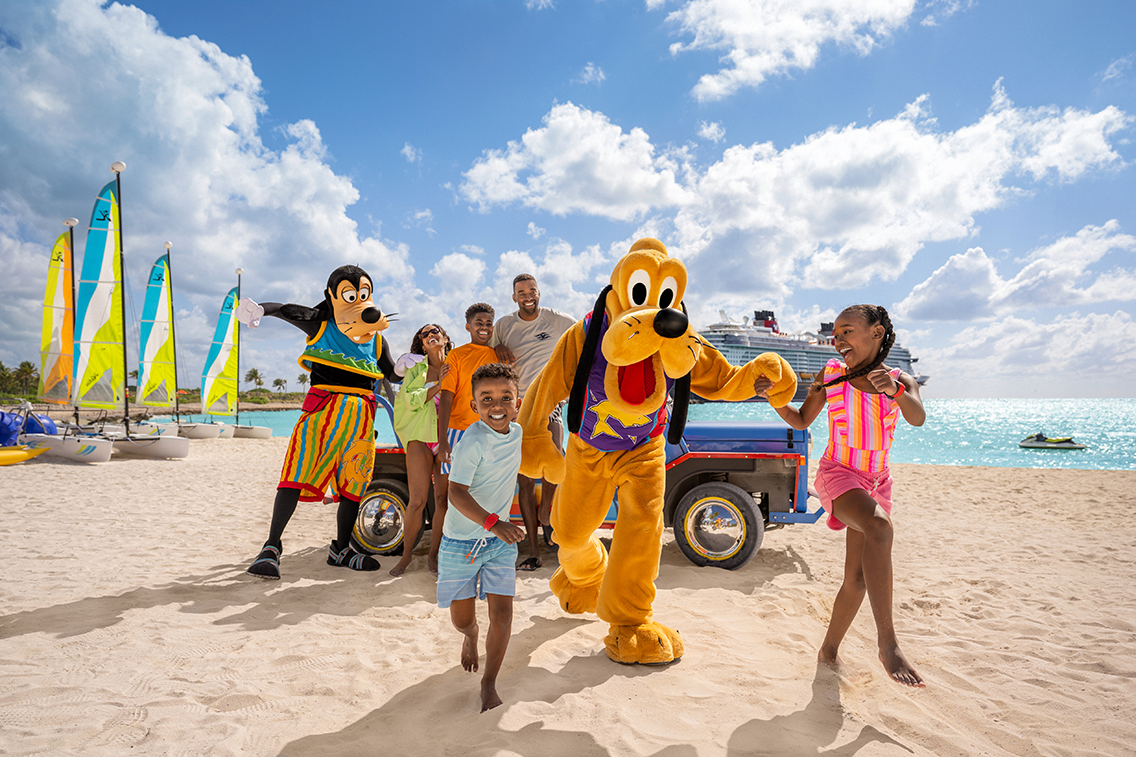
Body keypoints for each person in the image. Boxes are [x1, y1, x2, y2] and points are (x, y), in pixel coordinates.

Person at [766, 304, 926, 687]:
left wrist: (897, 392)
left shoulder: (901, 379)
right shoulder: (831, 374)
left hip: (877, 482)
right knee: (880, 527)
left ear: (876, 333)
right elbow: (802, 419)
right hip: (838, 473)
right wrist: (774, 400)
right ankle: (888, 644)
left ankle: (828, 651)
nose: (837, 340)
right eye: (835, 334)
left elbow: (918, 417)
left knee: (856, 578)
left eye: (847, 332)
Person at [241, 265, 395, 580]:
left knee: (354, 482)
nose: (358, 300)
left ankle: (341, 549)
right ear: (332, 295)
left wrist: (408, 366)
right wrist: (261, 310)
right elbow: (286, 310)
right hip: (321, 413)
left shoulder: (377, 341)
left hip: (361, 419)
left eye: (364, 294)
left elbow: (390, 373)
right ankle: (271, 547)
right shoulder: (322, 325)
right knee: (295, 474)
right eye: (350, 294)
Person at [436, 362, 526, 712]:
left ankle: (489, 683)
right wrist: (494, 523)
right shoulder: (473, 441)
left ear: (517, 403)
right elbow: (455, 493)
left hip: (497, 544)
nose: (497, 405)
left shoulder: (517, 433)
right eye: (486, 399)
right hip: (461, 542)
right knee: (461, 619)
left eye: (505, 397)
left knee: (503, 614)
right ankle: (471, 635)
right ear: (474, 406)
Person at [490, 274, 575, 570]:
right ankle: (534, 549)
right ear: (514, 297)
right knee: (524, 478)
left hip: (550, 400)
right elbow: (486, 351)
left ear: (539, 293)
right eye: (521, 292)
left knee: (556, 456)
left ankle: (546, 512)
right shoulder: (504, 325)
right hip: (518, 405)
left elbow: (583, 338)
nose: (528, 296)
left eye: (532, 290)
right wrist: (497, 349)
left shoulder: (558, 320)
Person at [389, 323, 455, 577]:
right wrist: (439, 384)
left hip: (446, 437)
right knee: (417, 501)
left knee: (442, 500)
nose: (430, 335)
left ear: (445, 338)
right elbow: (410, 399)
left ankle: (433, 554)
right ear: (422, 343)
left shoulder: (455, 365)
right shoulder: (416, 368)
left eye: (435, 331)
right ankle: (406, 556)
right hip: (419, 436)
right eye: (425, 334)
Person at [435, 304, 500, 546]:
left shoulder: (498, 356)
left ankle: (476, 544)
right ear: (468, 326)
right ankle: (440, 549)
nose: (484, 328)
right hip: (456, 432)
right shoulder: (456, 355)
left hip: (487, 434)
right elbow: (447, 397)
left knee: (479, 495)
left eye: (488, 324)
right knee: (447, 496)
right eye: (478, 323)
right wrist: (443, 440)